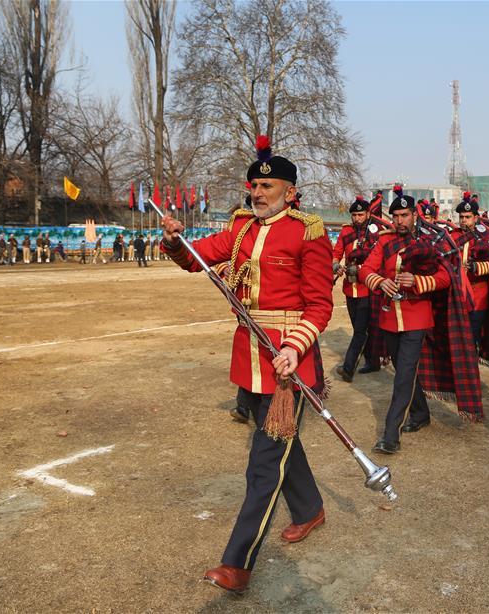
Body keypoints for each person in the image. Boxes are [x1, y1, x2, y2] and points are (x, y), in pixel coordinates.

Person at [161, 135, 333, 593]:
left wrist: (295, 347)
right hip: (250, 356)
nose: (256, 194)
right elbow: (197, 259)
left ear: (290, 193)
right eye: (253, 187)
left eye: (267, 188)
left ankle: (237, 563)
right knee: (279, 447)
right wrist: (175, 241)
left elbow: (320, 306)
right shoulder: (239, 228)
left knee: (262, 463)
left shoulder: (308, 232)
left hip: (288, 365)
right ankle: (311, 507)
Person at [359, 186, 451, 454]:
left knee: (404, 376)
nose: (399, 220)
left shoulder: (430, 240)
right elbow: (366, 269)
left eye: (405, 215)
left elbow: (446, 278)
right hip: (389, 317)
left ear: (415, 215)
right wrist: (379, 281)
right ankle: (421, 413)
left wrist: (418, 281)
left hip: (416, 317)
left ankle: (391, 435)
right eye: (395, 215)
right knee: (404, 372)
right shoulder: (385, 241)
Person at [332, 195, 380, 381]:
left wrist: (359, 269)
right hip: (349, 288)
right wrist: (336, 264)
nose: (357, 218)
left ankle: (348, 367)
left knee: (360, 331)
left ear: (368, 214)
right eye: (354, 215)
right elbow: (336, 252)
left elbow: (376, 260)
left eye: (361, 214)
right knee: (359, 329)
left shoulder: (376, 233)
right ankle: (372, 361)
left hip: (367, 288)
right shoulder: (346, 232)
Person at [453, 192, 489, 342]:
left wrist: (477, 267)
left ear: (476, 218)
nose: (463, 221)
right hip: (456, 294)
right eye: (461, 217)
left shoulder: (486, 236)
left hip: (477, 294)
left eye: (467, 217)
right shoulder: (452, 236)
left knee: (472, 335)